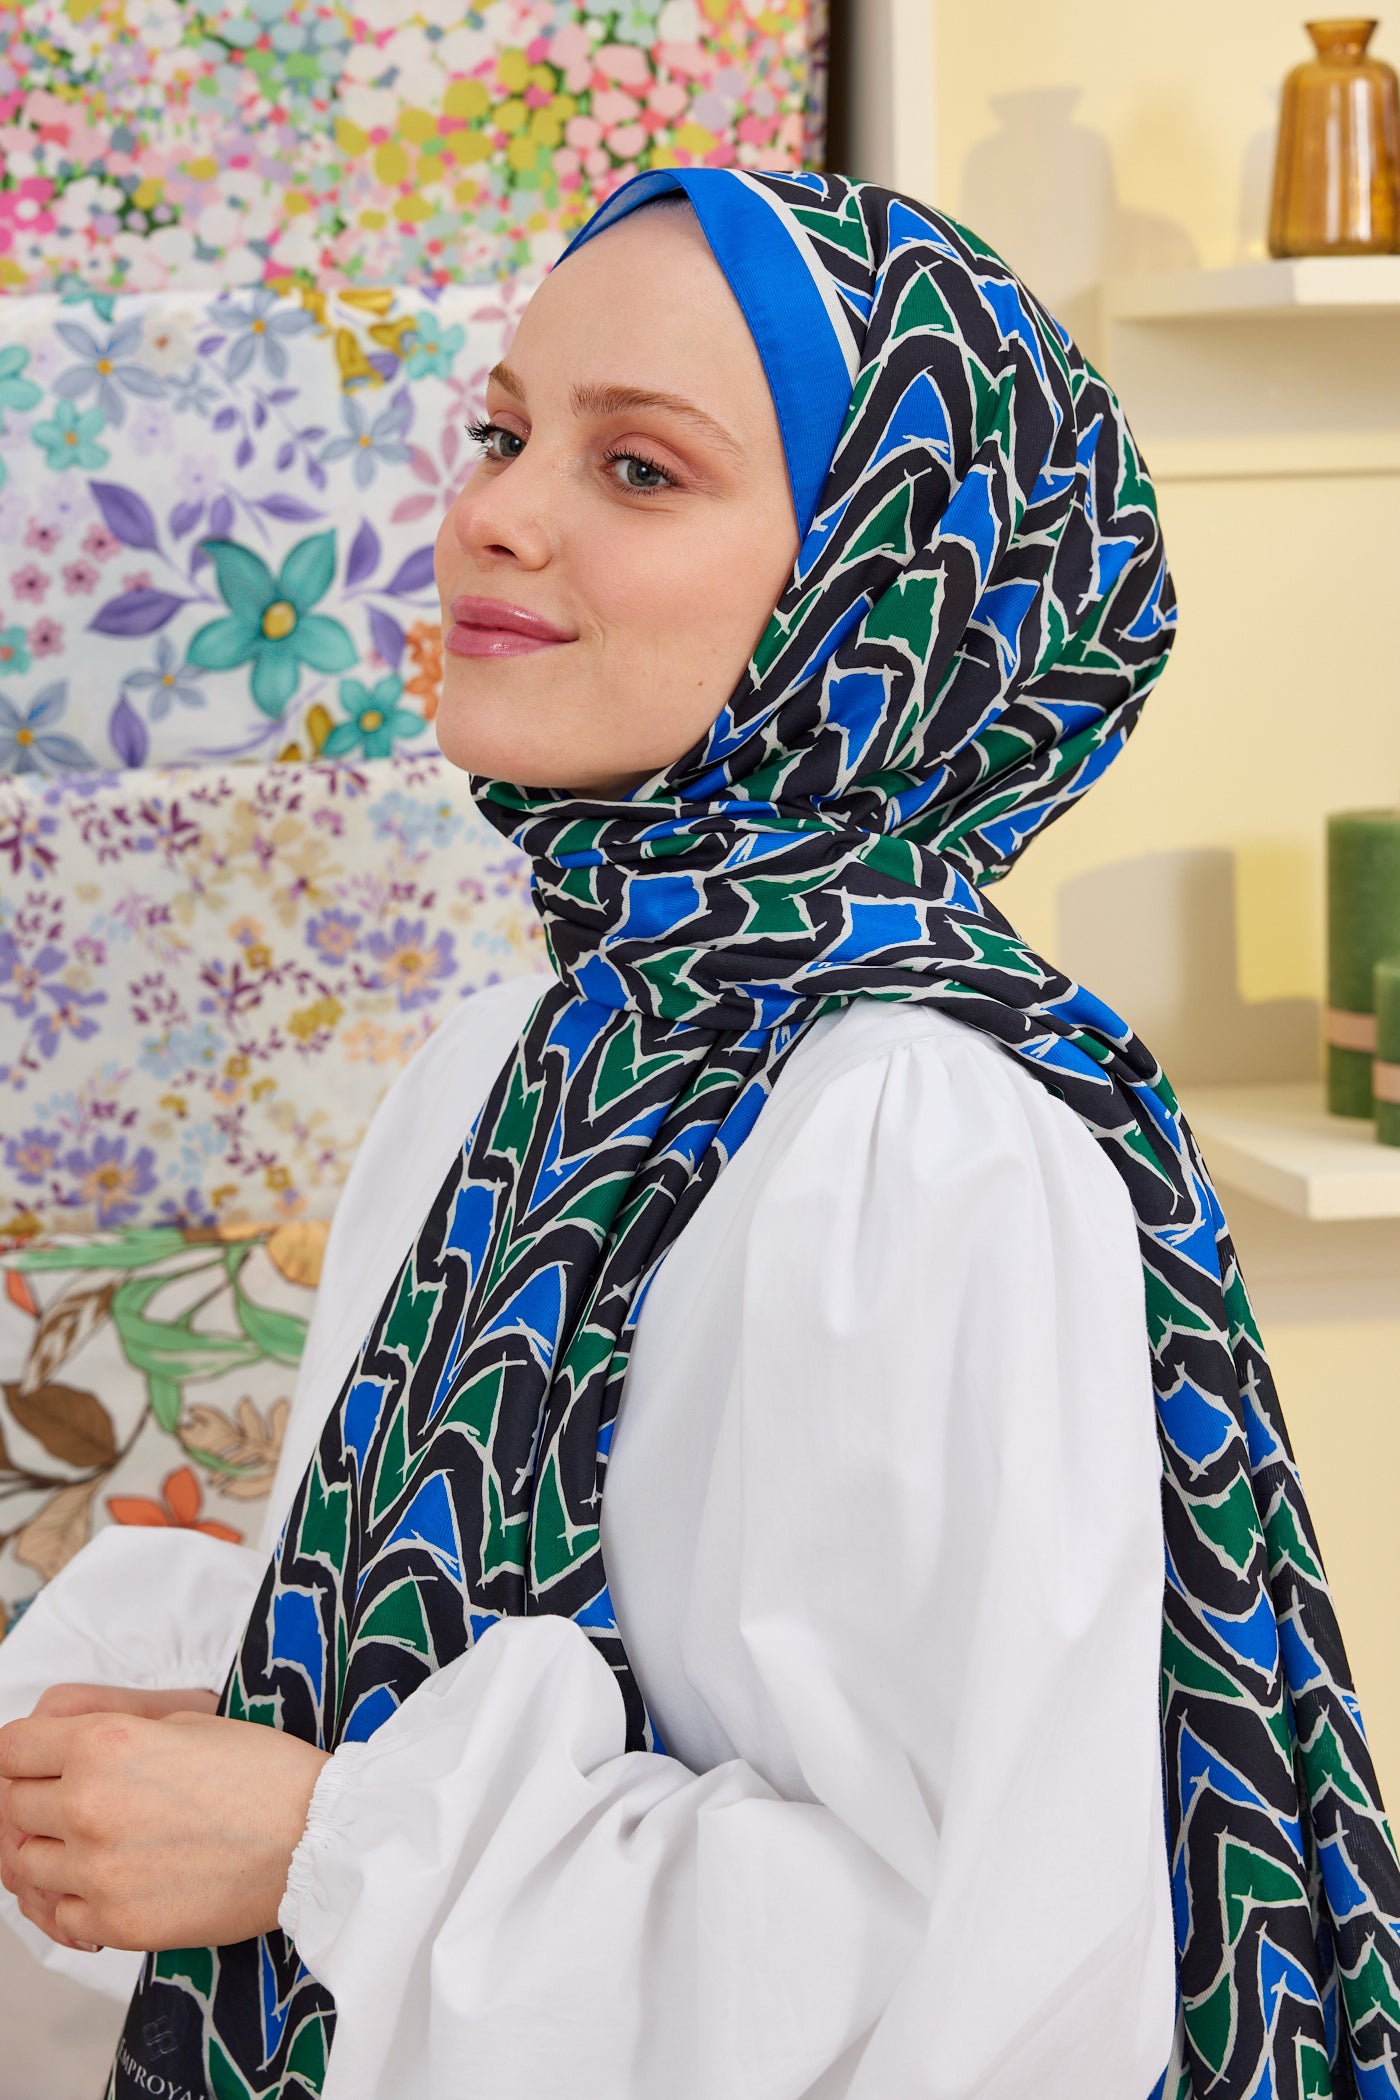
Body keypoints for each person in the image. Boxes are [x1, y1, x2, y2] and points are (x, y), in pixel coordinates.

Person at [0, 168, 1396, 2100]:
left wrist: (327, 1845)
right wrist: (216, 1740)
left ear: (880, 588)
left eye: (640, 468)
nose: (494, 512)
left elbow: (981, 1975)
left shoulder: (918, 1133)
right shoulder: (522, 1053)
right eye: (503, 433)